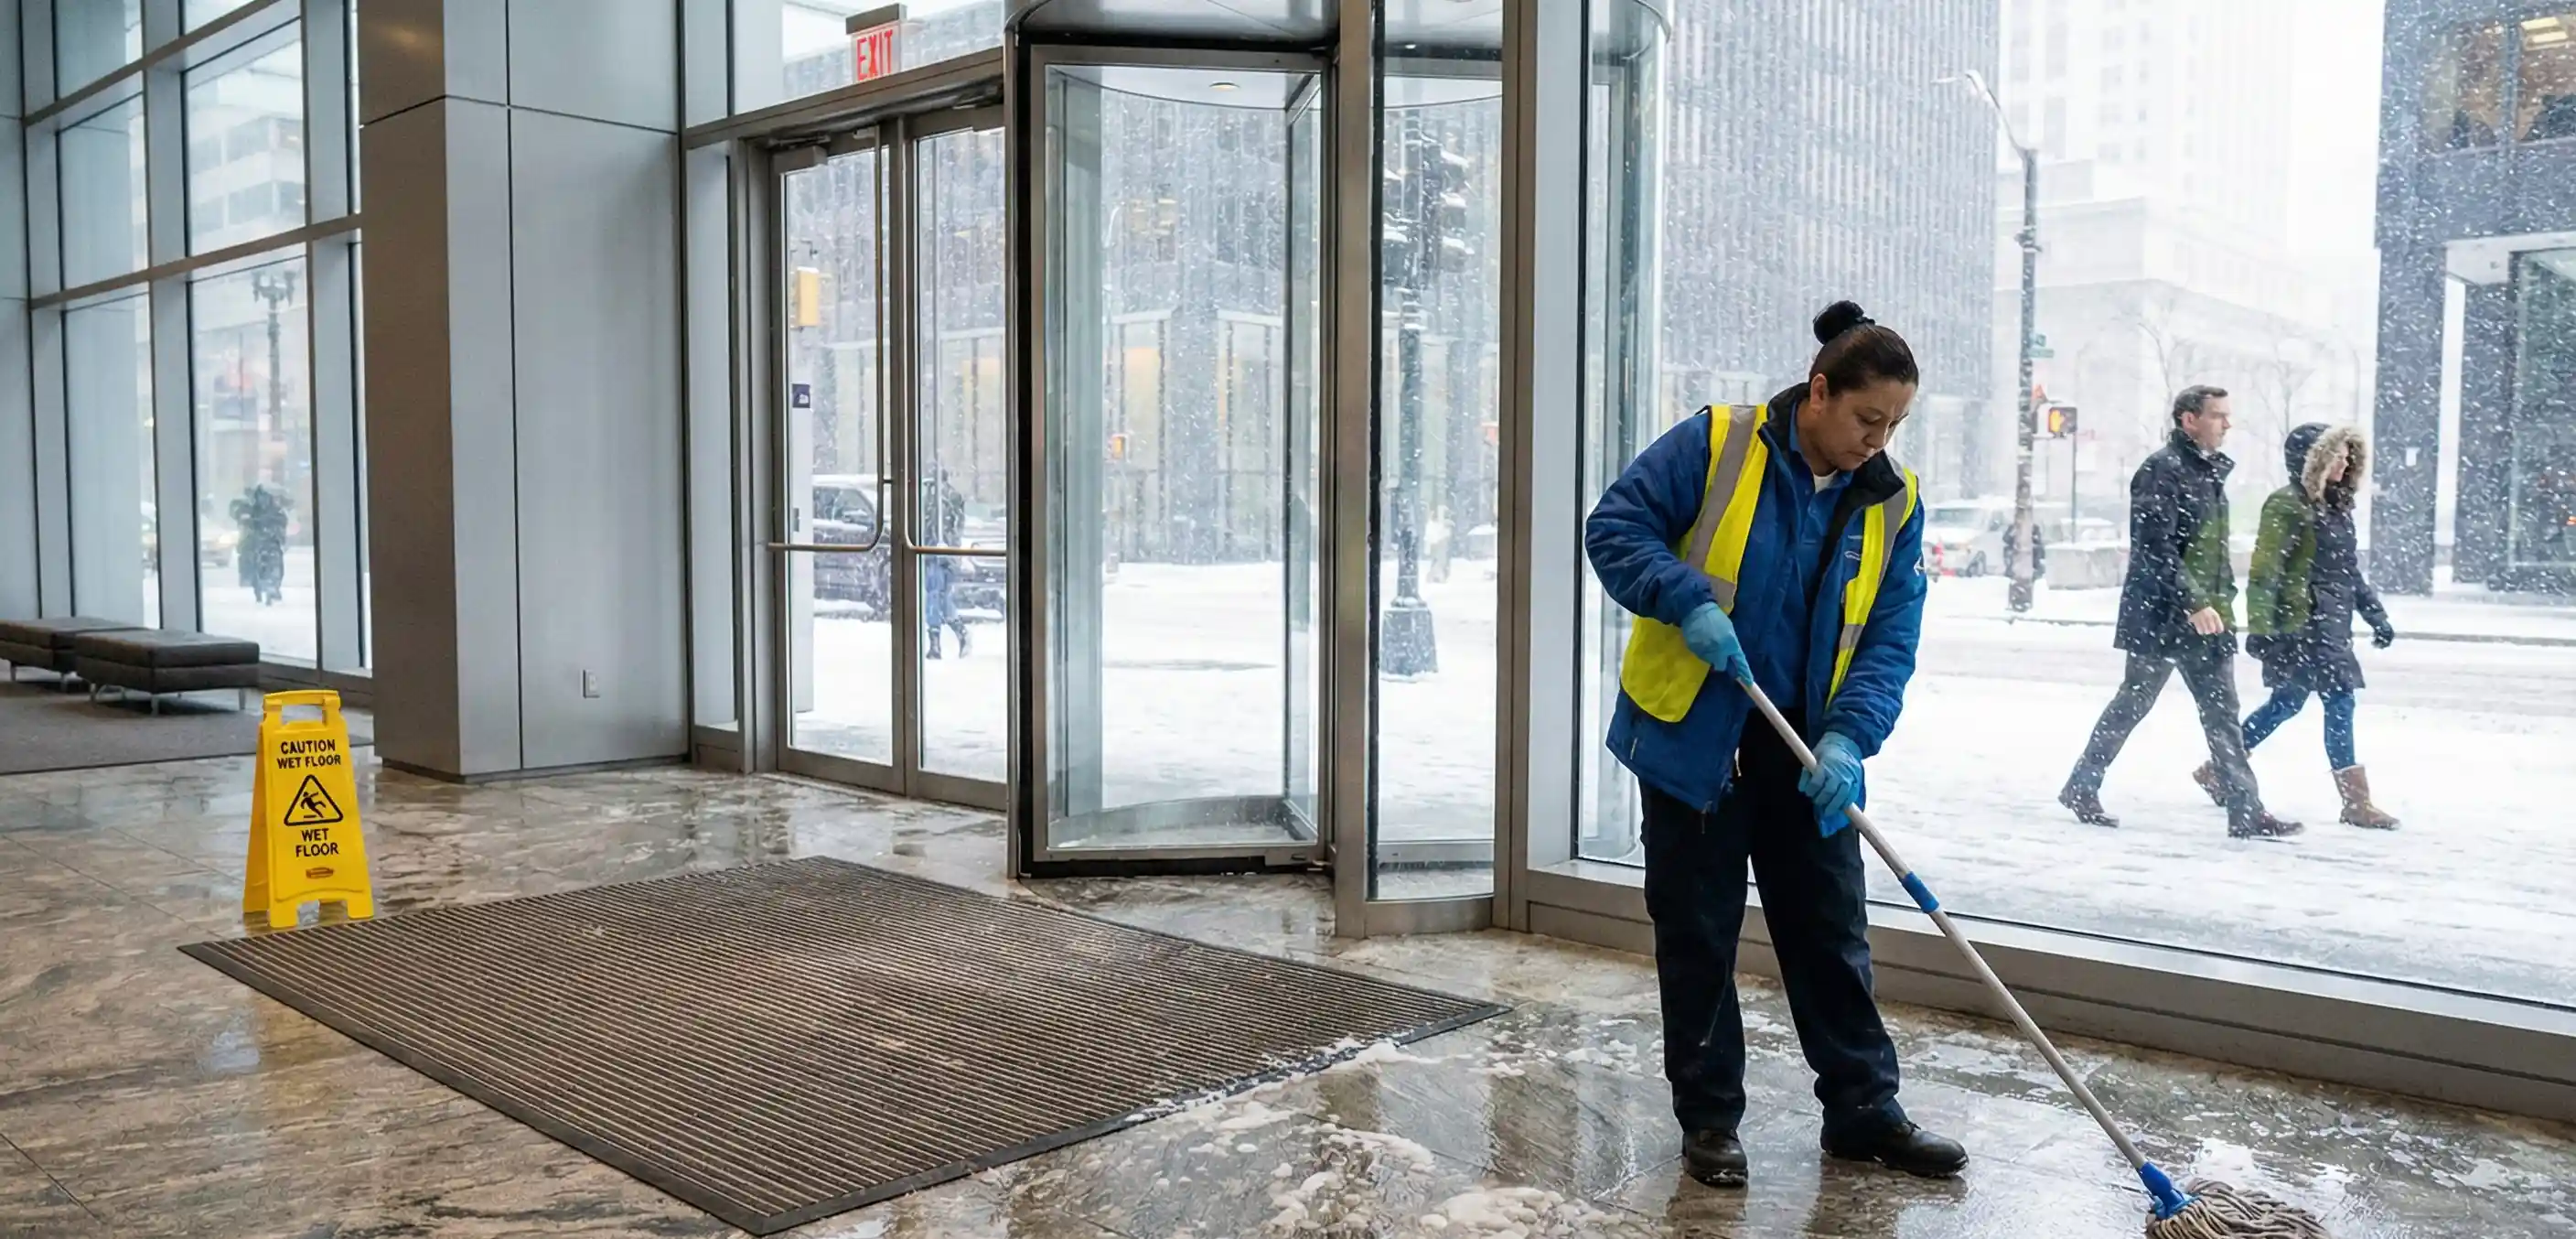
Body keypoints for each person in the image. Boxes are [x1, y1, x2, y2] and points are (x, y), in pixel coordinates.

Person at [1585, 300, 1963, 1190]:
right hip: (1698, 738)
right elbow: (1615, 528)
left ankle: (1862, 1110)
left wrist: (1848, 739)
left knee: (1831, 931)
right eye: (1866, 418)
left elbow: (1886, 640)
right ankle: (1709, 1119)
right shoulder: (1715, 442)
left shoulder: (1891, 500)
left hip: (1805, 751)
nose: (1877, 440)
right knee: (1699, 935)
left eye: (1894, 425)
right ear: (1819, 391)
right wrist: (1682, 596)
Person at [2057, 386, 2302, 839]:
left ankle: (2247, 810)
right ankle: (2082, 783)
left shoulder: (2206, 473)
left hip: (2204, 617)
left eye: (2227, 416)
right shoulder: (2162, 471)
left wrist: (2219, 604)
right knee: (2134, 703)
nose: (2227, 424)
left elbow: (2211, 553)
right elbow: (2156, 548)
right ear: (2188, 420)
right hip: (2165, 616)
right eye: (2217, 416)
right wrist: (2194, 602)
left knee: (2222, 713)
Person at [2234, 423, 2399, 829]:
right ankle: (2355, 804)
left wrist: (2374, 613)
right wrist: (2262, 630)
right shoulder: (2286, 505)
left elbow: (2349, 573)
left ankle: (2220, 767)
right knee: (2319, 702)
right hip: (2299, 626)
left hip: (2332, 626)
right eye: (2337, 455)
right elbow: (2264, 572)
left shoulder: (2337, 509)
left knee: (2300, 703)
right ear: (2314, 460)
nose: (2345, 462)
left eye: (2348, 456)